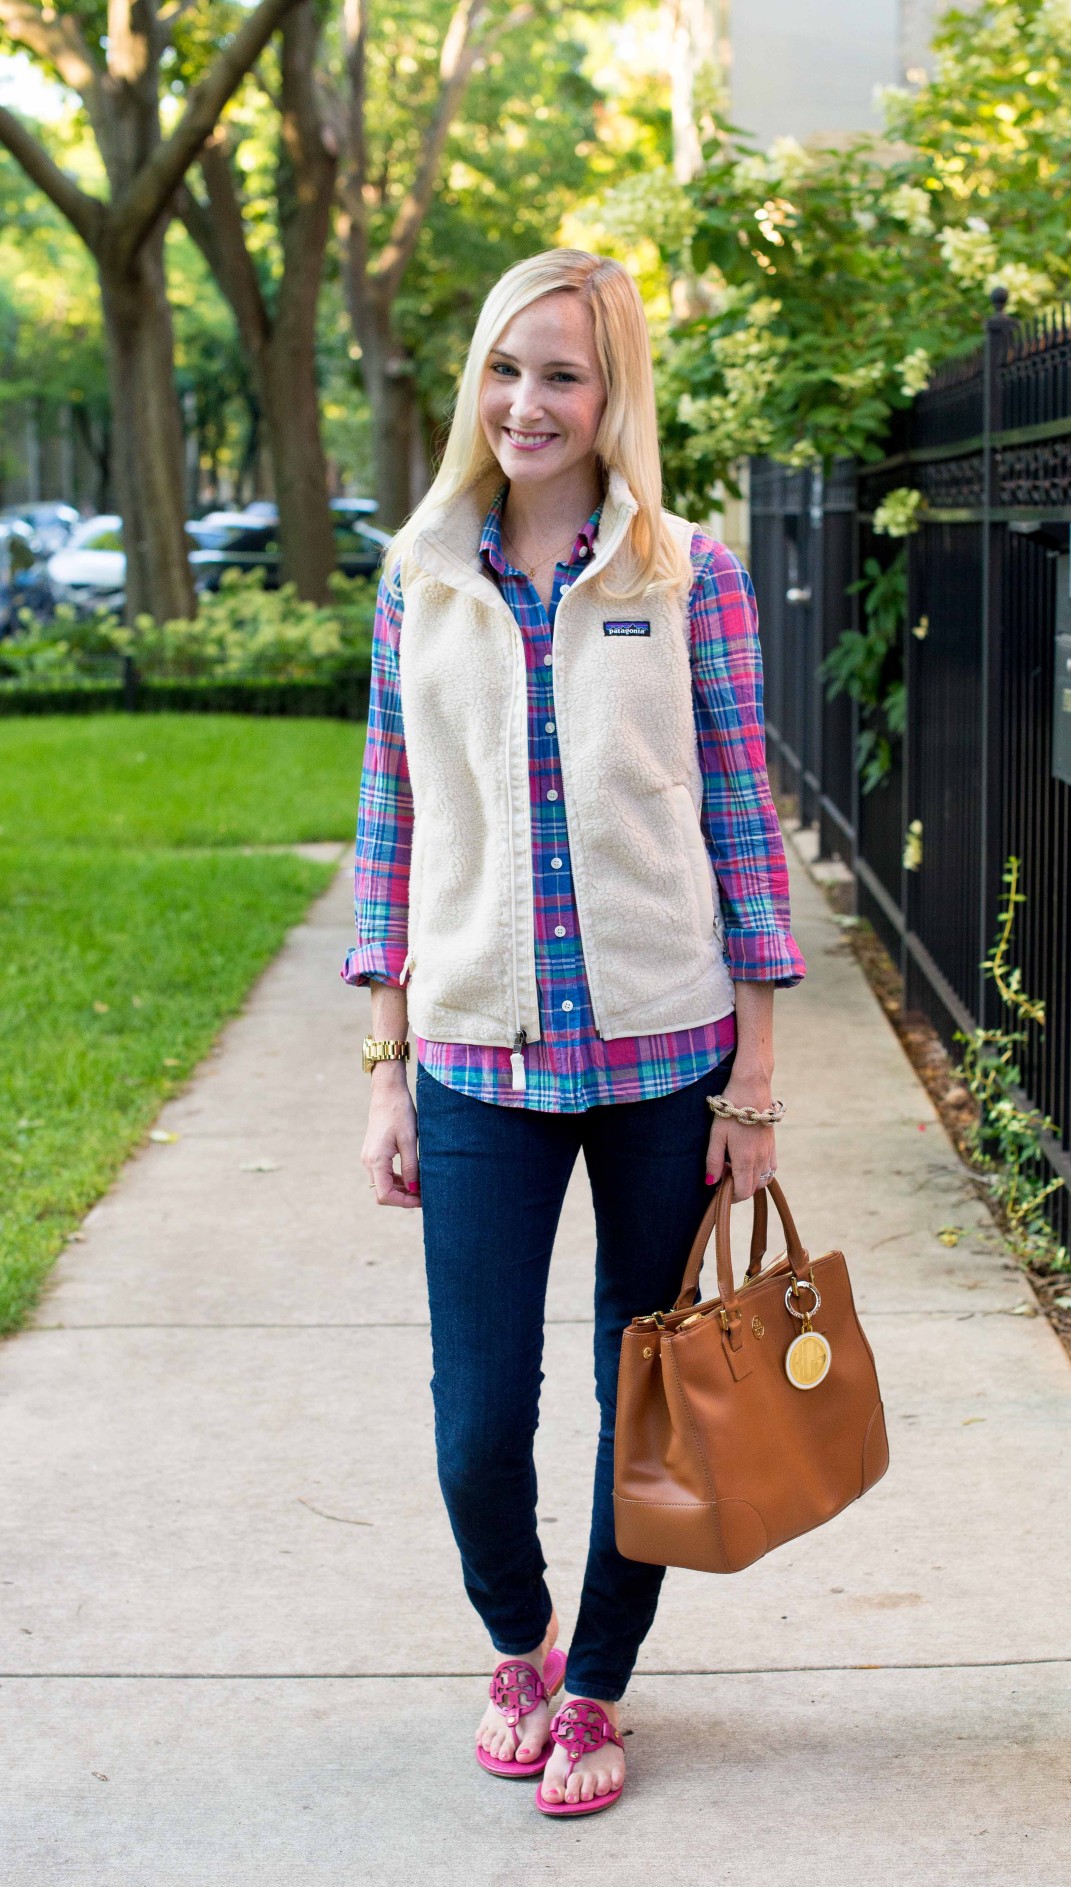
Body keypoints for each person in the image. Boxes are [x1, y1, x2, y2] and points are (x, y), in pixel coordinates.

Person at [343, 249, 805, 1817]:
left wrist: (753, 1080)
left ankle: (598, 1685)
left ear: (613, 400)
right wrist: (386, 1069)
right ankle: (518, 1640)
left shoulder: (693, 577)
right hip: (478, 1060)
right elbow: (389, 826)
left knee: (644, 1400)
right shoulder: (420, 575)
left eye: (561, 374)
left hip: (665, 1057)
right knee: (477, 1421)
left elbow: (741, 817)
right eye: (503, 368)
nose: (525, 402)